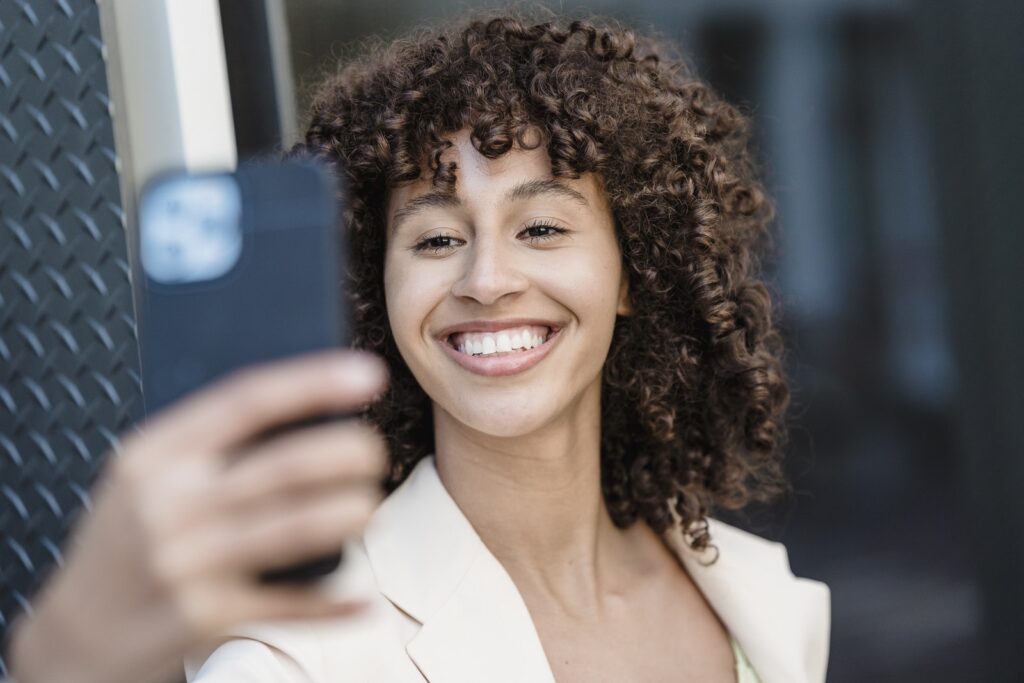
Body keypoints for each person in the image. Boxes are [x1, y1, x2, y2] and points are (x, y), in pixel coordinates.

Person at [5, 11, 830, 683]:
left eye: (540, 227)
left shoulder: (767, 604)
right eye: (435, 240)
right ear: (376, 287)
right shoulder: (291, 658)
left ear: (632, 271)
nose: (487, 278)